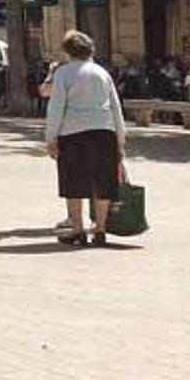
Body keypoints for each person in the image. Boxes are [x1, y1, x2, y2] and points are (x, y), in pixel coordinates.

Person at [44, 30, 127, 247]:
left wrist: (51, 137)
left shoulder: (64, 73)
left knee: (73, 181)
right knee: (103, 182)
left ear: (68, 51)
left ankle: (78, 229)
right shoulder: (102, 73)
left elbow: (56, 106)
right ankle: (100, 230)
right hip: (104, 131)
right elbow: (115, 106)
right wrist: (120, 138)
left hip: (73, 133)